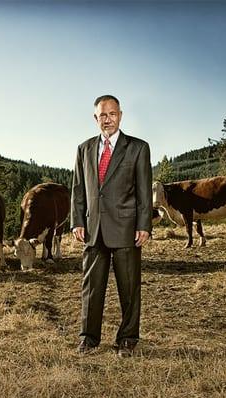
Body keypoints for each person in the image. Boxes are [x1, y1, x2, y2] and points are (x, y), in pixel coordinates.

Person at [70, 95, 152, 357]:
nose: (108, 119)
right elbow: (78, 190)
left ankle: (127, 339)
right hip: (93, 230)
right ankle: (88, 338)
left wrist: (144, 225)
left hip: (127, 230)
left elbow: (143, 191)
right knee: (91, 288)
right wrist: (77, 221)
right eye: (103, 115)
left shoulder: (138, 148)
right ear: (96, 118)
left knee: (129, 289)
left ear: (121, 115)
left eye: (112, 114)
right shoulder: (84, 149)